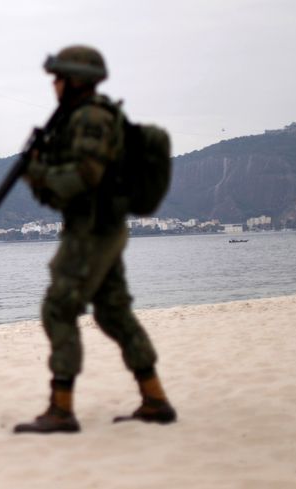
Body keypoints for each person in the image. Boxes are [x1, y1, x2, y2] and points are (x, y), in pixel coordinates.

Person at [14, 45, 177, 434]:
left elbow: (84, 177)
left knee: (58, 309)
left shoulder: (90, 118)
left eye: (58, 77)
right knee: (113, 311)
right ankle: (154, 399)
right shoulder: (82, 116)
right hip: (99, 227)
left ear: (75, 79)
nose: (53, 84)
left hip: (92, 231)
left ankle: (61, 408)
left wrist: (37, 171)